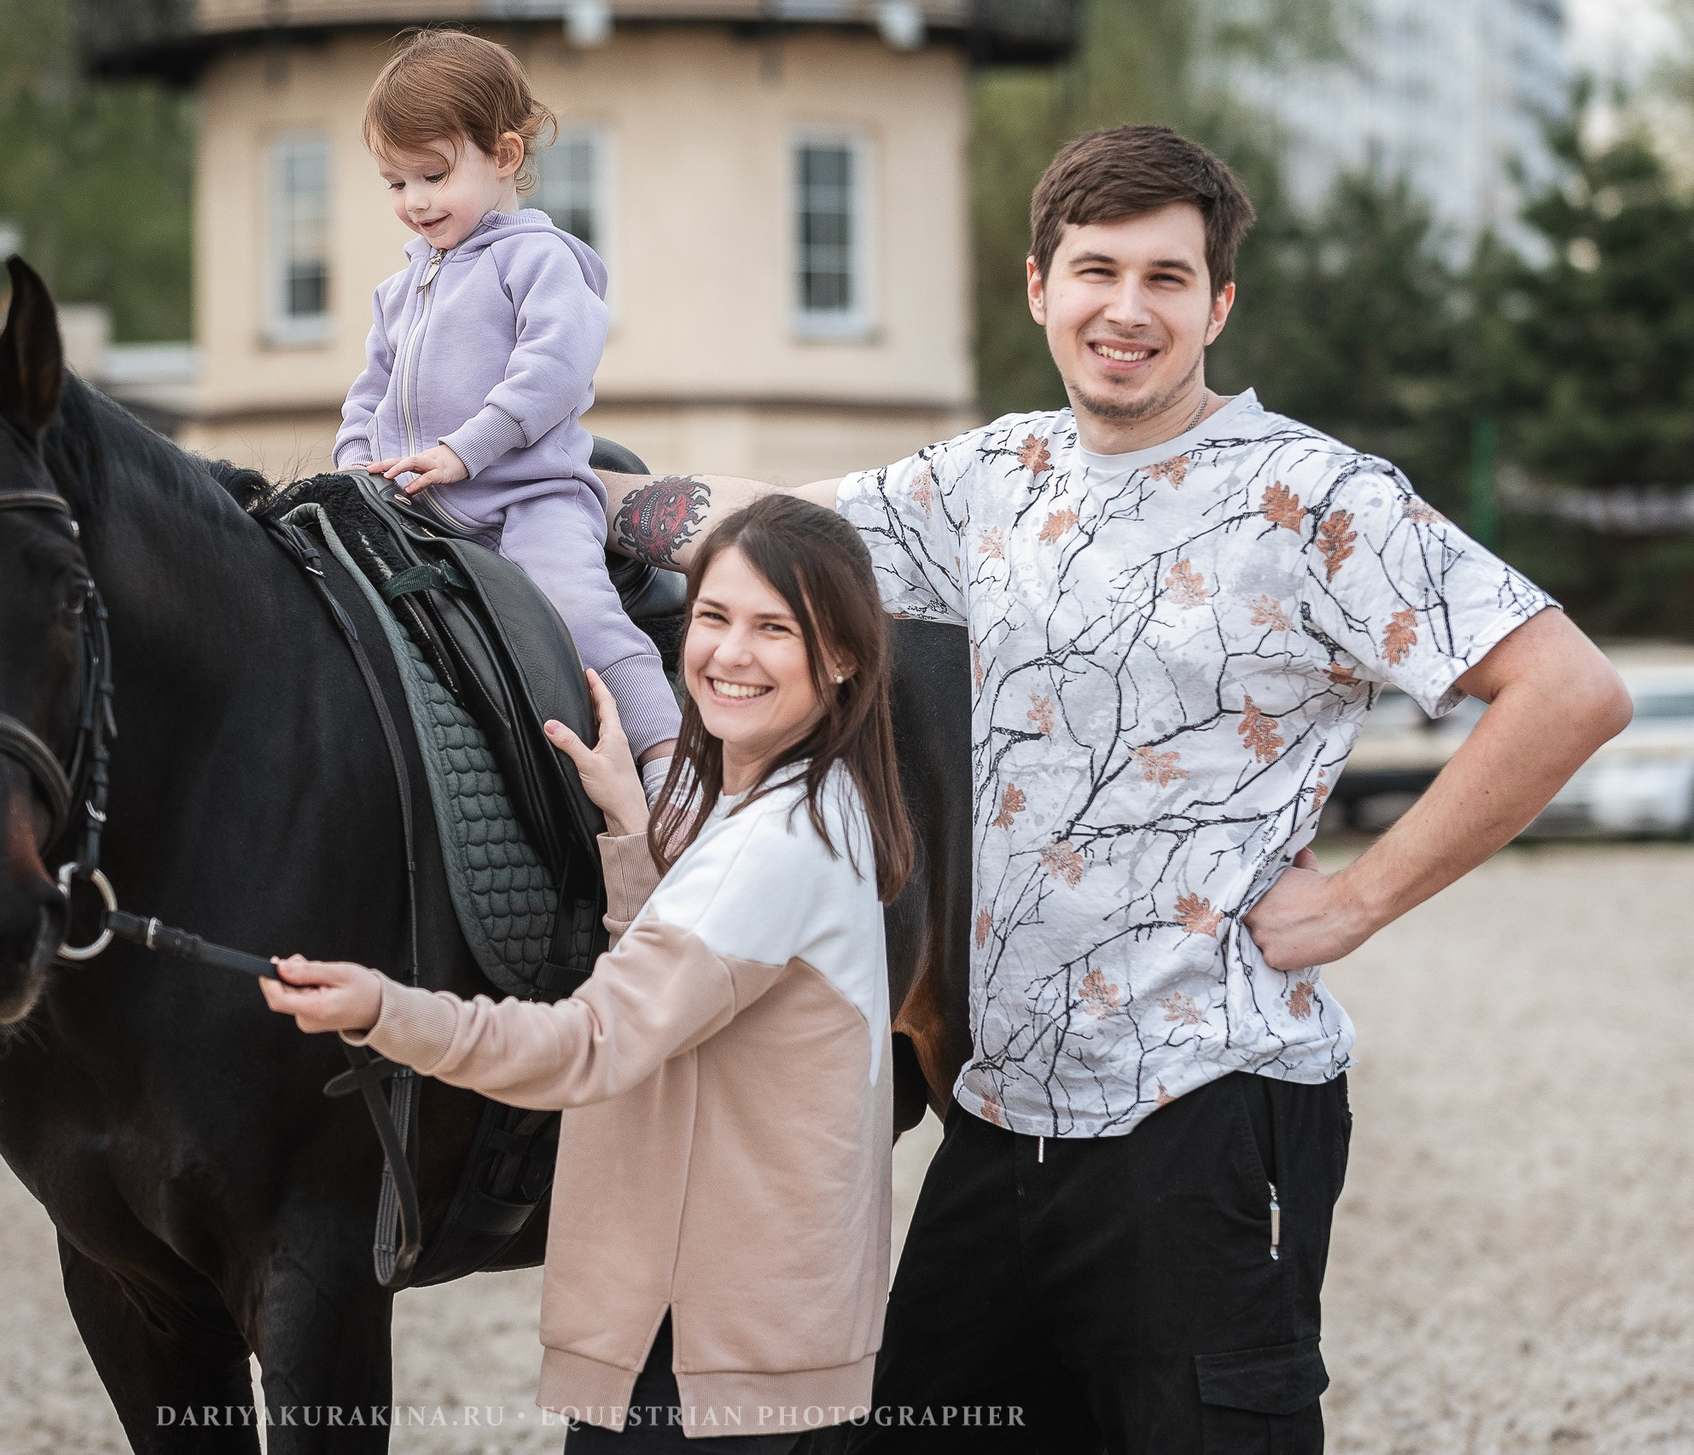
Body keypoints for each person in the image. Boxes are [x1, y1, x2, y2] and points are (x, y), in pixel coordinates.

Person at [595, 126, 1635, 1451]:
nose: (1127, 310)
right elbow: (773, 526)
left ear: (1219, 303)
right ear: (1039, 287)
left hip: (1200, 1116)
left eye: (1166, 277)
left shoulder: (1311, 499)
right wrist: (578, 491)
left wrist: (1361, 900)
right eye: (1096, 270)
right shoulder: (996, 478)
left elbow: (1569, 688)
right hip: (998, 1118)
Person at [262, 496, 914, 1449]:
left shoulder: (771, 846)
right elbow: (702, 993)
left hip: (704, 1365)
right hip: (759, 1339)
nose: (730, 654)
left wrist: (386, 1009)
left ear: (844, 655)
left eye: (776, 628)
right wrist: (628, 830)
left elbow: (591, 1043)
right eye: (715, 617)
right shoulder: (823, 798)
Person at [336, 27, 681, 782]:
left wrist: (469, 447)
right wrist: (351, 470)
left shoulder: (541, 259)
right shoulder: (399, 290)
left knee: (577, 610)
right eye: (396, 184)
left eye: (431, 175)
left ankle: (665, 757)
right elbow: (370, 391)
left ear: (505, 157)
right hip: (414, 504)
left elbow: (555, 368)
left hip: (526, 498)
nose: (415, 202)